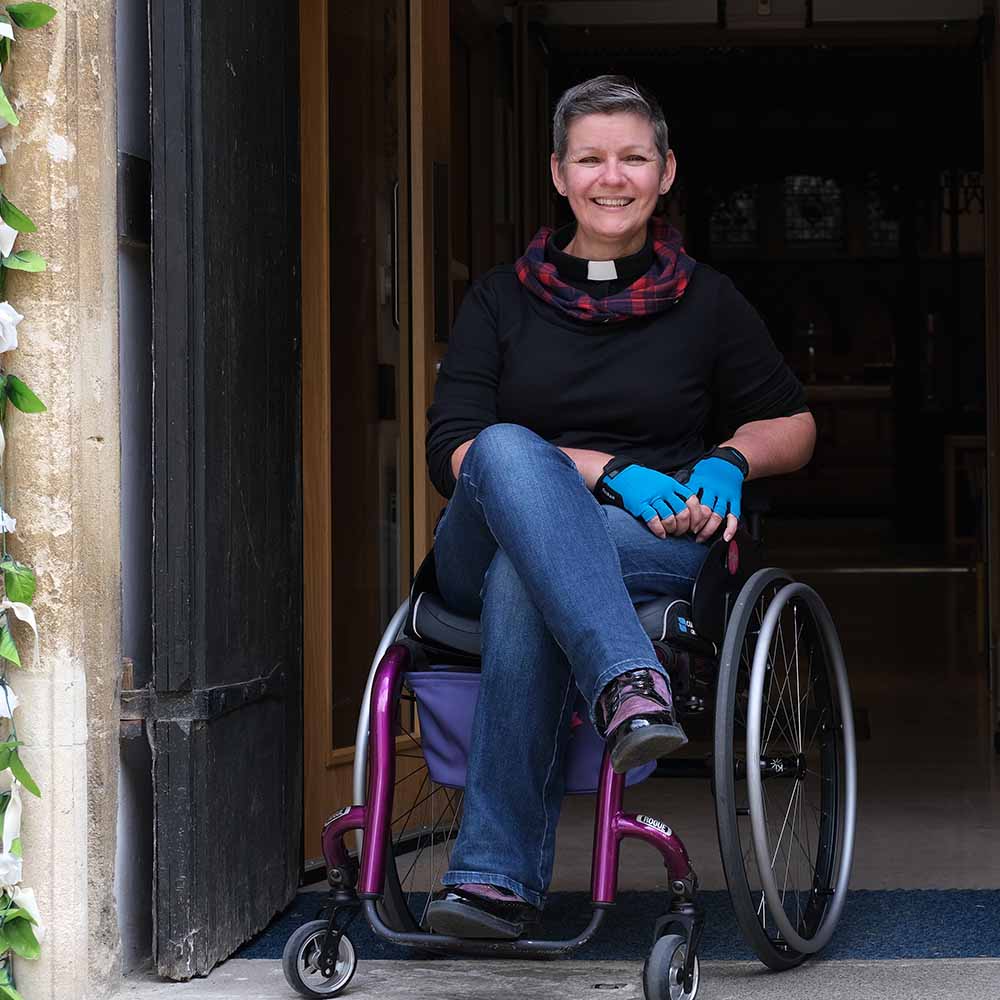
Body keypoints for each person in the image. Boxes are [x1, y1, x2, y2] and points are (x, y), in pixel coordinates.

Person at [422, 75, 815, 941]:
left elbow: (794, 421)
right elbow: (454, 450)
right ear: (558, 175)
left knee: (532, 579)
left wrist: (732, 457)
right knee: (505, 447)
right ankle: (625, 682)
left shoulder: (708, 301)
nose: (613, 176)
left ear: (666, 171)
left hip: (646, 538)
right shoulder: (498, 299)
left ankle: (492, 880)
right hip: (481, 539)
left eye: (633, 157)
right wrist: (604, 470)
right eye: (590, 158)